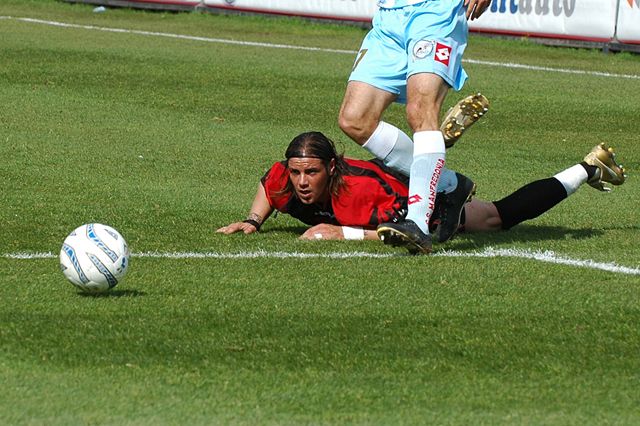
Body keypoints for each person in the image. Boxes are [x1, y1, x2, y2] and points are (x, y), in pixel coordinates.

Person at [217, 132, 626, 247]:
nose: (301, 182)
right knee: (495, 214)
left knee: (497, 217)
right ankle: (434, 148)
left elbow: (401, 230)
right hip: (385, 178)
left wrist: (343, 232)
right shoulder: (284, 177)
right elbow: (268, 188)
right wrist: (253, 221)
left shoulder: (355, 195)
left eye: (311, 173)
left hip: (409, 203)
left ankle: (587, 169)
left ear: (332, 167)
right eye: (296, 172)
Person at [338, 0, 492, 254]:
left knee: (421, 110)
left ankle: (418, 223)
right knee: (355, 119)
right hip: (389, 17)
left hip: (436, 12)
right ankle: (450, 185)